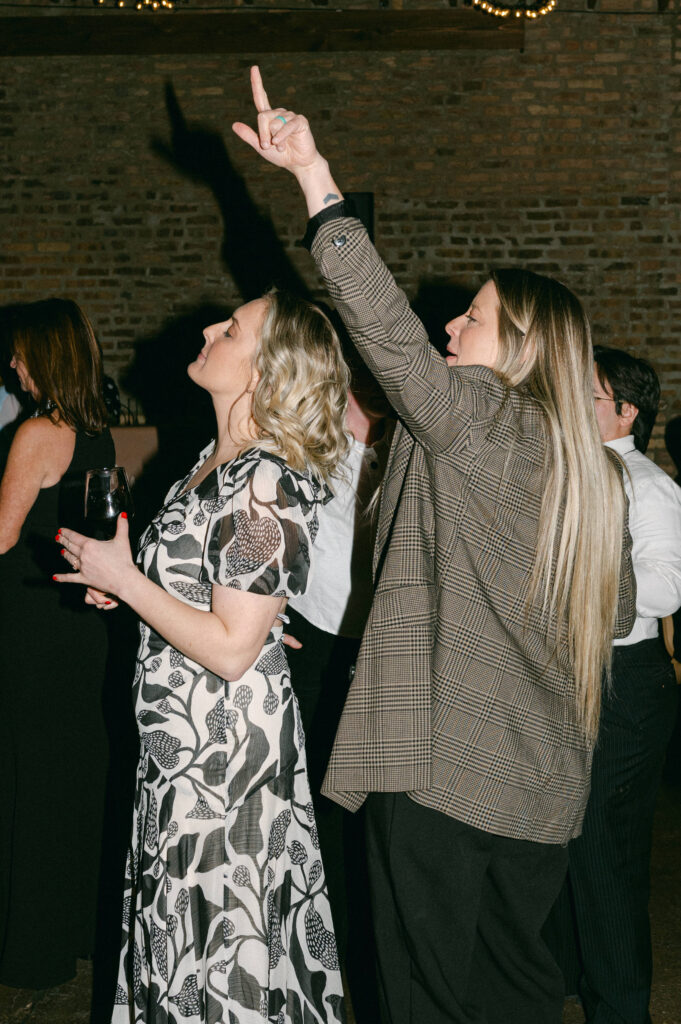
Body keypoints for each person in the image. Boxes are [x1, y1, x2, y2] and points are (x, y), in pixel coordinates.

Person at [232, 67, 637, 1024]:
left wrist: (315, 178)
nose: (451, 323)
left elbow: (390, 340)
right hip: (540, 787)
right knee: (516, 995)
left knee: (423, 1001)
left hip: (442, 769)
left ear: (524, 349)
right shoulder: (590, 473)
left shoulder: (484, 418)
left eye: (474, 316)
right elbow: (615, 615)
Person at [54, 289, 350, 1024]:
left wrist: (126, 579)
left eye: (232, 328)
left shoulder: (264, 476)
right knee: (181, 930)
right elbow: (212, 602)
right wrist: (131, 592)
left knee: (219, 941)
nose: (211, 329)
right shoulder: (210, 460)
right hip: (181, 743)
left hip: (224, 755)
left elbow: (228, 648)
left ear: (266, 368)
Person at [552, 347, 681, 1024]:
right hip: (571, 678)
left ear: (625, 412)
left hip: (623, 685)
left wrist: (576, 594)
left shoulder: (647, 486)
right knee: (564, 840)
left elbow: (664, 586)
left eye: (588, 395)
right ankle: (573, 980)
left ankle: (623, 1010)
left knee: (603, 851)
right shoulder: (572, 473)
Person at [0, 298, 115, 991]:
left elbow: (0, 535)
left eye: (19, 353)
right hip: (73, 623)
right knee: (65, 781)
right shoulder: (92, 428)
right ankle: (66, 934)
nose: (11, 363)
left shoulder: (38, 430)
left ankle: (28, 950)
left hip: (27, 624)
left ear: (44, 355)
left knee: (26, 782)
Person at [286, 345, 391, 1022]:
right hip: (314, 641)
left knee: (370, 809)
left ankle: (368, 952)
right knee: (316, 800)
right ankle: (319, 953)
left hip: (382, 646)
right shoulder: (308, 449)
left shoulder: (406, 453)